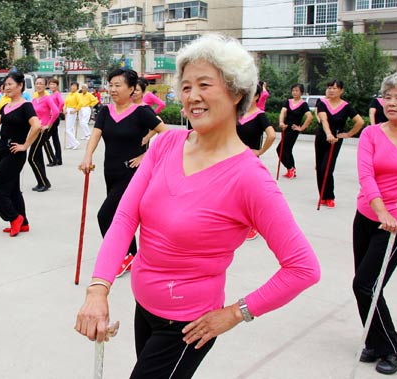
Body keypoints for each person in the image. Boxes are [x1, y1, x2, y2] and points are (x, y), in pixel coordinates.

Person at [75, 34, 320, 379]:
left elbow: (303, 268)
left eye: (205, 84)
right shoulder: (166, 144)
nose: (192, 96)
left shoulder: (250, 178)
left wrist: (236, 312)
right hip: (144, 307)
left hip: (186, 326)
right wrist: (98, 290)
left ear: (237, 93)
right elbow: (125, 216)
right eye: (186, 87)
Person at [352, 72, 397, 376]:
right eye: (387, 97)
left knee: (365, 285)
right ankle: (375, 338)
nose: (391, 103)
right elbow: (366, 176)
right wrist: (380, 211)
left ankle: (392, 346)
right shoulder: (371, 134)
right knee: (366, 286)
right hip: (368, 218)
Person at [79, 68, 166, 278]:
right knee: (122, 216)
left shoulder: (141, 112)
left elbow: (167, 135)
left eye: (118, 85)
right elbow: (95, 135)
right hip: (111, 171)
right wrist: (87, 156)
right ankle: (132, 256)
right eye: (111, 85)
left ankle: (122, 255)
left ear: (131, 89)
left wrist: (146, 157)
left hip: (132, 174)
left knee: (105, 216)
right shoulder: (106, 111)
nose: (113, 89)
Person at [0, 72, 42, 237]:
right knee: (13, 188)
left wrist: (25, 145)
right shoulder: (5, 106)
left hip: (15, 151)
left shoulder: (26, 106)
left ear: (20, 86)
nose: (7, 87)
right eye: (6, 84)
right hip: (4, 149)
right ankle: (23, 222)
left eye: (11, 84)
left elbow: (37, 126)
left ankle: (14, 217)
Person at [315, 79, 365, 208]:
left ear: (341, 90)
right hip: (322, 137)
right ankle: (322, 195)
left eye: (334, 88)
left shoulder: (346, 106)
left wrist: (348, 134)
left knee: (327, 167)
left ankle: (330, 196)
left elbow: (360, 122)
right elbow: (324, 120)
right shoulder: (322, 103)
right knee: (320, 167)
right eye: (329, 88)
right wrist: (328, 134)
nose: (331, 90)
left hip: (336, 140)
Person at [237, 83, 276, 240]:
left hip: (249, 161)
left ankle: (252, 225)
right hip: (232, 159)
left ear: (257, 97)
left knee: (249, 194)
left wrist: (260, 151)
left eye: (250, 94)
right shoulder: (236, 113)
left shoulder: (260, 116)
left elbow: (271, 135)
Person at [277, 84, 313, 179]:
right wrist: (281, 122)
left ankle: (290, 168)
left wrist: (301, 128)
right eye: (293, 90)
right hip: (286, 128)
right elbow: (283, 112)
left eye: (297, 90)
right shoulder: (288, 102)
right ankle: (292, 169)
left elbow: (310, 116)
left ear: (301, 92)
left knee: (280, 149)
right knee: (287, 150)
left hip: (293, 130)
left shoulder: (303, 104)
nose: (294, 92)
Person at [29, 77, 59, 192]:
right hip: (35, 130)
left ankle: (44, 182)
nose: (39, 85)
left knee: (31, 158)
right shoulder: (34, 100)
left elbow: (56, 111)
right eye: (37, 83)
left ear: (45, 85)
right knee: (38, 157)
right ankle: (42, 182)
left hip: (42, 131)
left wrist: (48, 124)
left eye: (41, 83)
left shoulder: (47, 98)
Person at [46, 78, 64, 166]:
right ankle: (58, 159)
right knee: (55, 139)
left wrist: (57, 111)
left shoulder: (57, 94)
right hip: (52, 117)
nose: (52, 86)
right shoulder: (51, 94)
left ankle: (53, 159)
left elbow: (62, 103)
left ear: (57, 85)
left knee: (45, 138)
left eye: (54, 84)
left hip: (54, 118)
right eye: (51, 84)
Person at [64, 82, 81, 149]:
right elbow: (65, 103)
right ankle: (71, 143)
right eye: (72, 86)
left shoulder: (77, 95)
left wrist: (75, 110)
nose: (73, 87)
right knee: (70, 129)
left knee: (68, 129)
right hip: (68, 110)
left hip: (72, 111)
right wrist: (64, 109)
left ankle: (75, 142)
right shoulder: (69, 94)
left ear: (77, 87)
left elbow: (80, 103)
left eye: (75, 86)